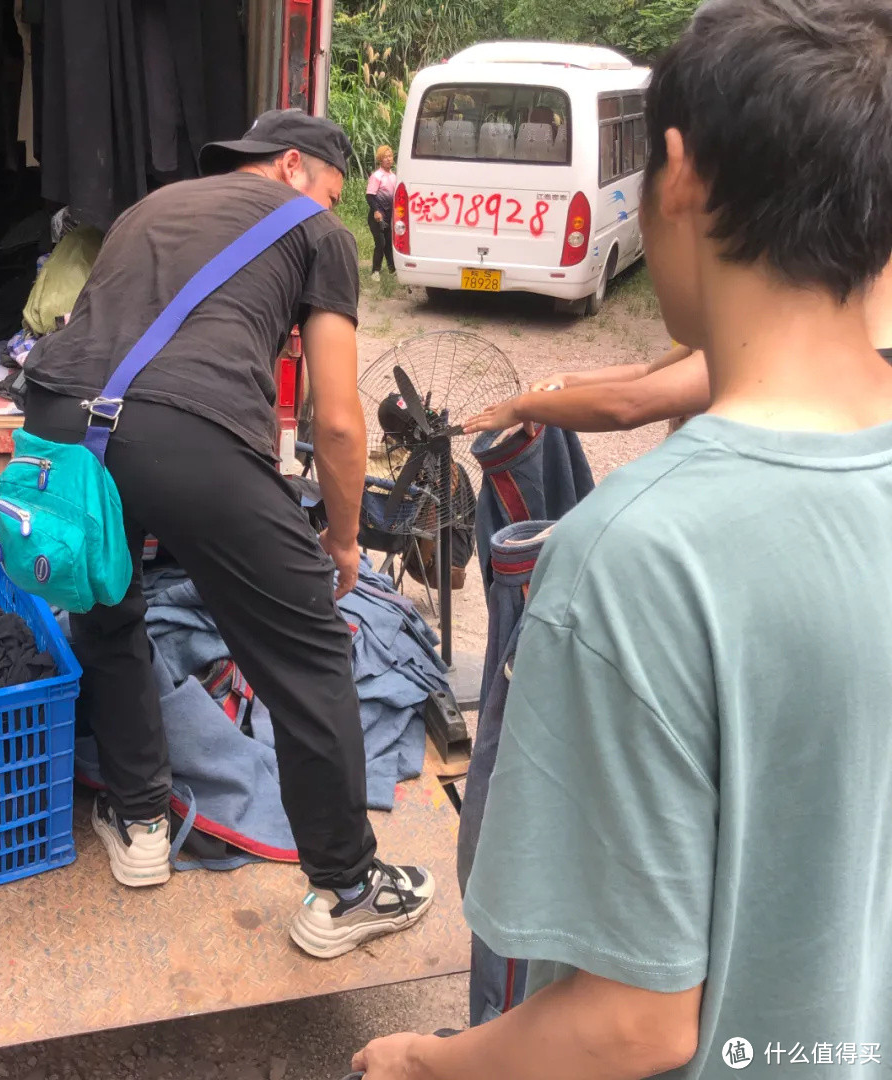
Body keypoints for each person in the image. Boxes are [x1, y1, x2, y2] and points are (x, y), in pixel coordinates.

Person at [354, 1, 892, 1076]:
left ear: (678, 173)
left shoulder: (632, 565)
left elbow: (635, 1019)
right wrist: (551, 399)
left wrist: (423, 1062)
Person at [22, 110, 434, 959]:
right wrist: (346, 540)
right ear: (293, 165)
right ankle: (349, 888)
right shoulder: (319, 231)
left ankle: (139, 824)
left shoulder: (151, 208)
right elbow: (338, 421)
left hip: (60, 418)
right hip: (188, 434)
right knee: (311, 651)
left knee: (106, 603)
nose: (331, 204)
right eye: (329, 186)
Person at [466, 261, 892, 437]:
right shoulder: (719, 336)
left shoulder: (747, 349)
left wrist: (523, 407)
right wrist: (569, 379)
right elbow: (648, 373)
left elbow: (630, 405)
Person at [366, 145, 396, 281]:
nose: (388, 159)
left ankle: (392, 269)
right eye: (385, 157)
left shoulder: (394, 176)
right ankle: (375, 271)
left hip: (390, 216)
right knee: (381, 243)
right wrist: (376, 211)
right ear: (380, 159)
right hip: (377, 216)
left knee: (389, 243)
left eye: (390, 156)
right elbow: (370, 196)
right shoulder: (376, 176)